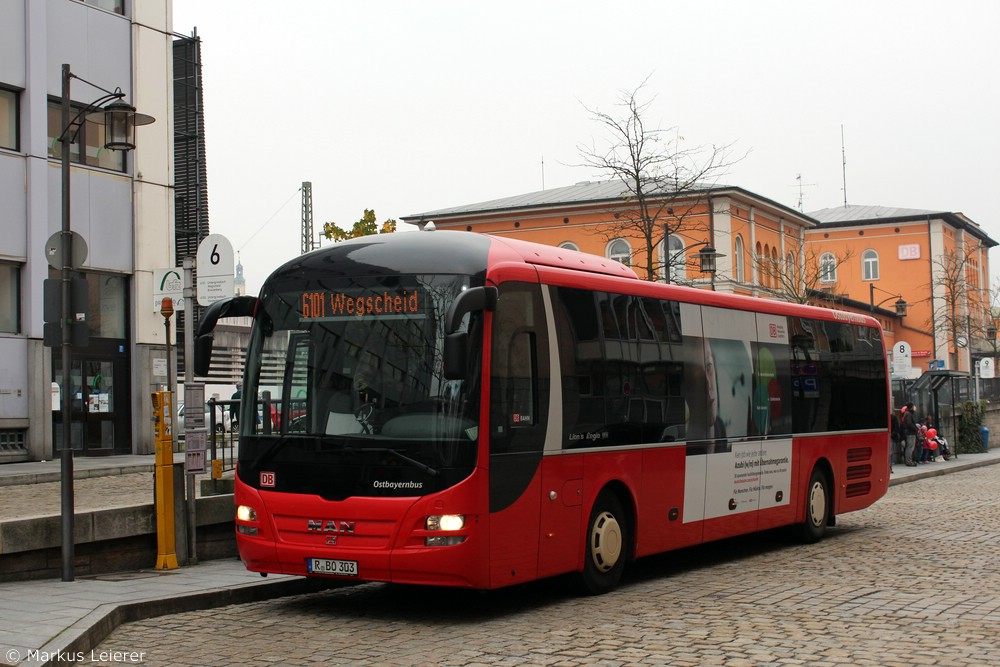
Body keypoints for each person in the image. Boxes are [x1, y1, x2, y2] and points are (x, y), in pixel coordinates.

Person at [902, 402, 919, 466]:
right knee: (910, 447)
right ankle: (908, 461)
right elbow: (909, 424)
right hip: (910, 433)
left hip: (910, 433)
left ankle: (909, 460)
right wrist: (915, 428)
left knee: (909, 447)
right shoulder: (908, 414)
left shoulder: (907, 413)